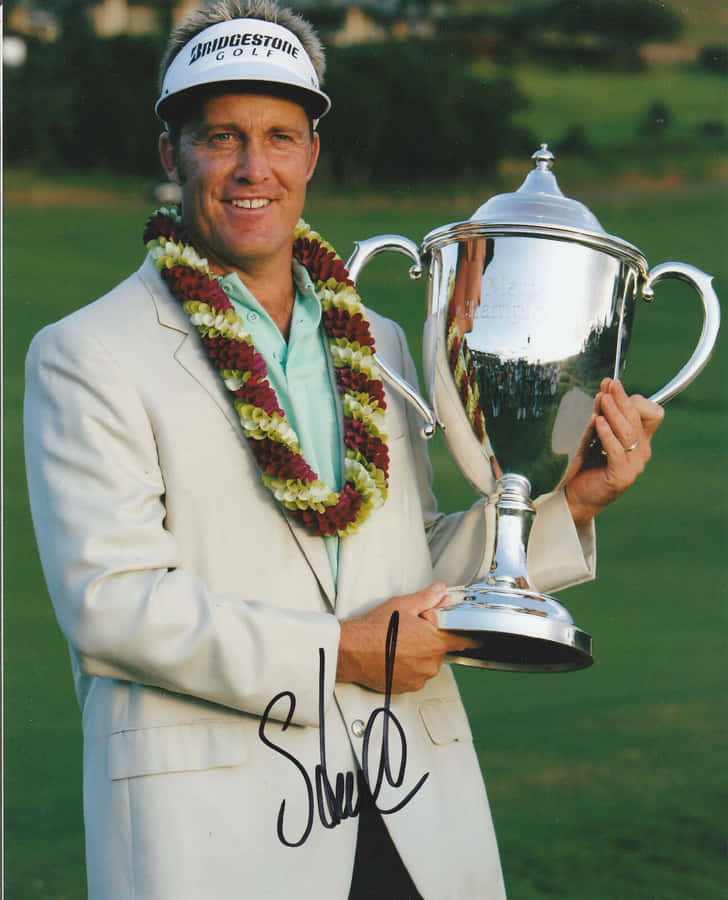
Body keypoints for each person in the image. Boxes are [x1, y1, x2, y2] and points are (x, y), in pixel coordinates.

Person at [23, 2, 664, 897]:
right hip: (219, 836)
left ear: (312, 155)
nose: (254, 168)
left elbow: (411, 571)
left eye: (280, 138)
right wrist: (340, 652)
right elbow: (112, 604)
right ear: (171, 153)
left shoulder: (380, 341)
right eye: (221, 137)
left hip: (414, 812)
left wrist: (570, 504)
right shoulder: (86, 353)